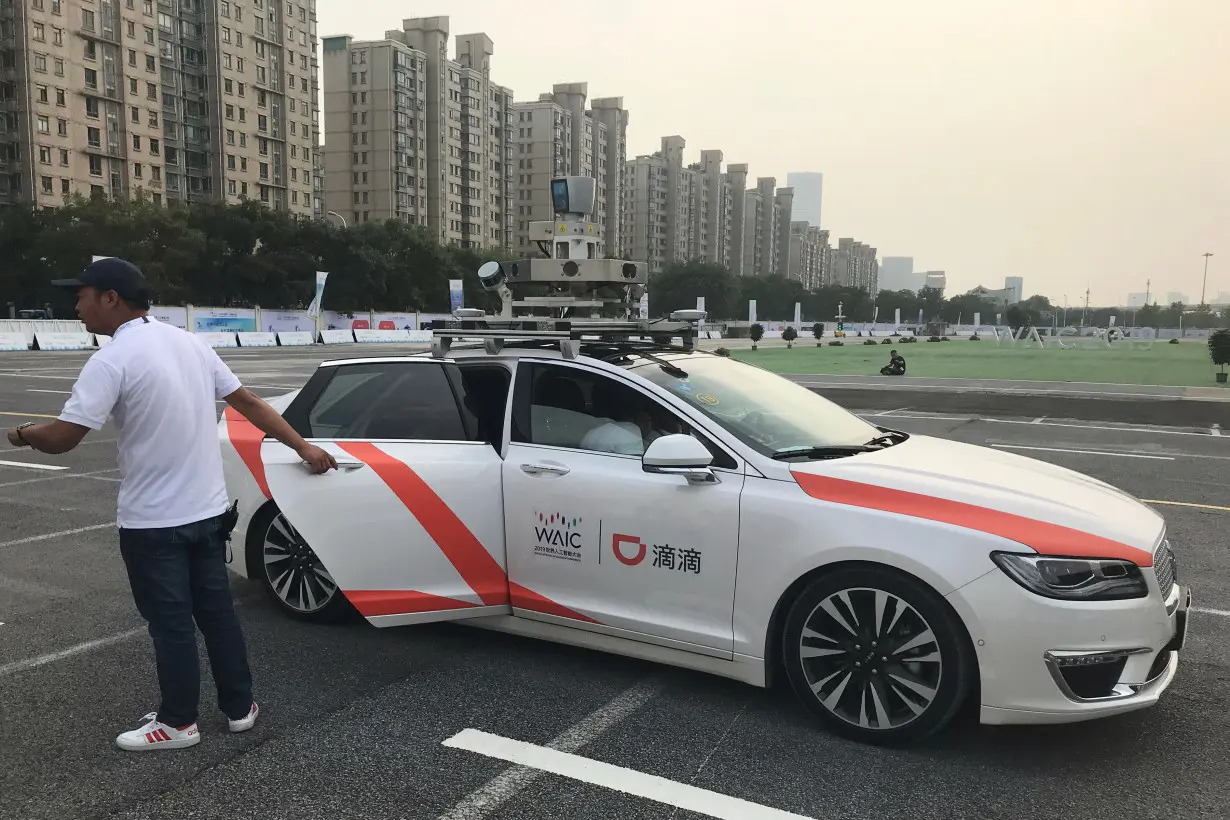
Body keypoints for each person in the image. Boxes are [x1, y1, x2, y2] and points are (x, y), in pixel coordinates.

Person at [4, 258, 338, 752]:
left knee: (171, 624)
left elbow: (63, 439)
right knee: (217, 615)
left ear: (111, 298)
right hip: (207, 513)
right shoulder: (190, 344)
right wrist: (303, 446)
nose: (76, 306)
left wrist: (21, 434)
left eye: (82, 295)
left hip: (154, 522)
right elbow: (248, 403)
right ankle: (240, 707)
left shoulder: (111, 360)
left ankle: (179, 723)